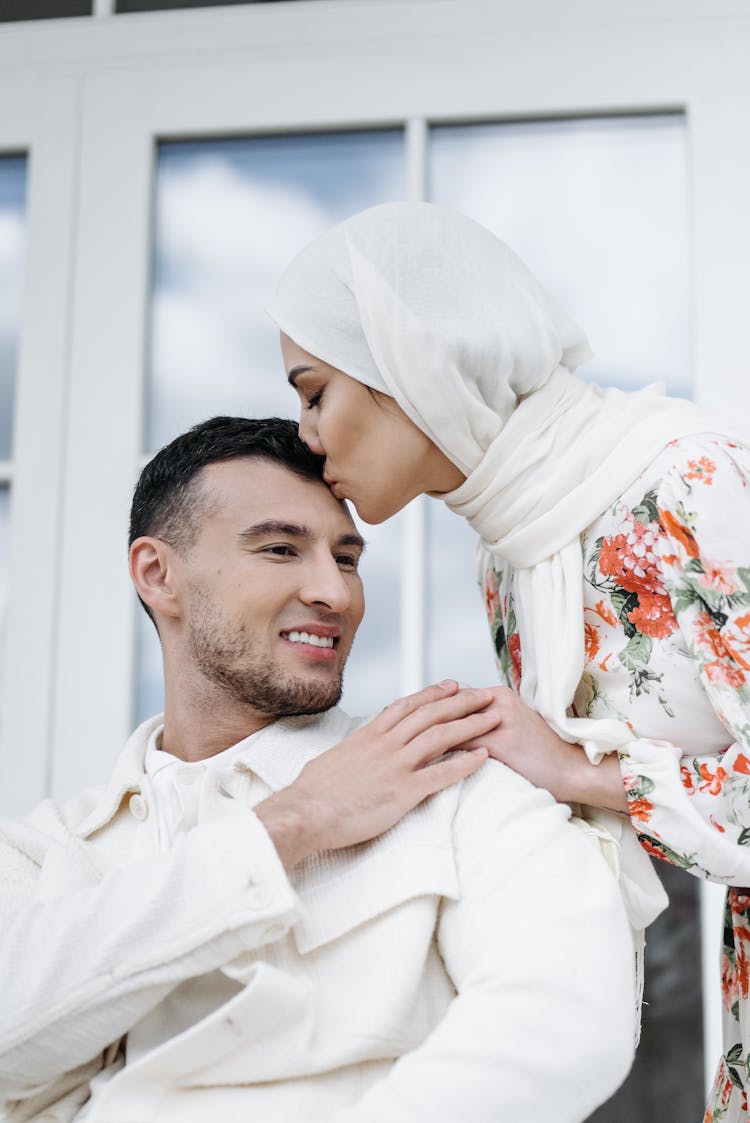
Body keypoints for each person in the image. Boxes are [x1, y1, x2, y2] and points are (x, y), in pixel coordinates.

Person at [0, 415, 634, 1123]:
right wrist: (291, 823)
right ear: (158, 574)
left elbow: (564, 1017)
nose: (335, 593)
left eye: (348, 557)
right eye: (280, 549)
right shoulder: (44, 850)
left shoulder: (454, 778)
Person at [268, 200, 750, 1122]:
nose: (305, 434)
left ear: (403, 363)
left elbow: (583, 771)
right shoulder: (515, 559)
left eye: (313, 388)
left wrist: (577, 769)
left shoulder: (695, 482)